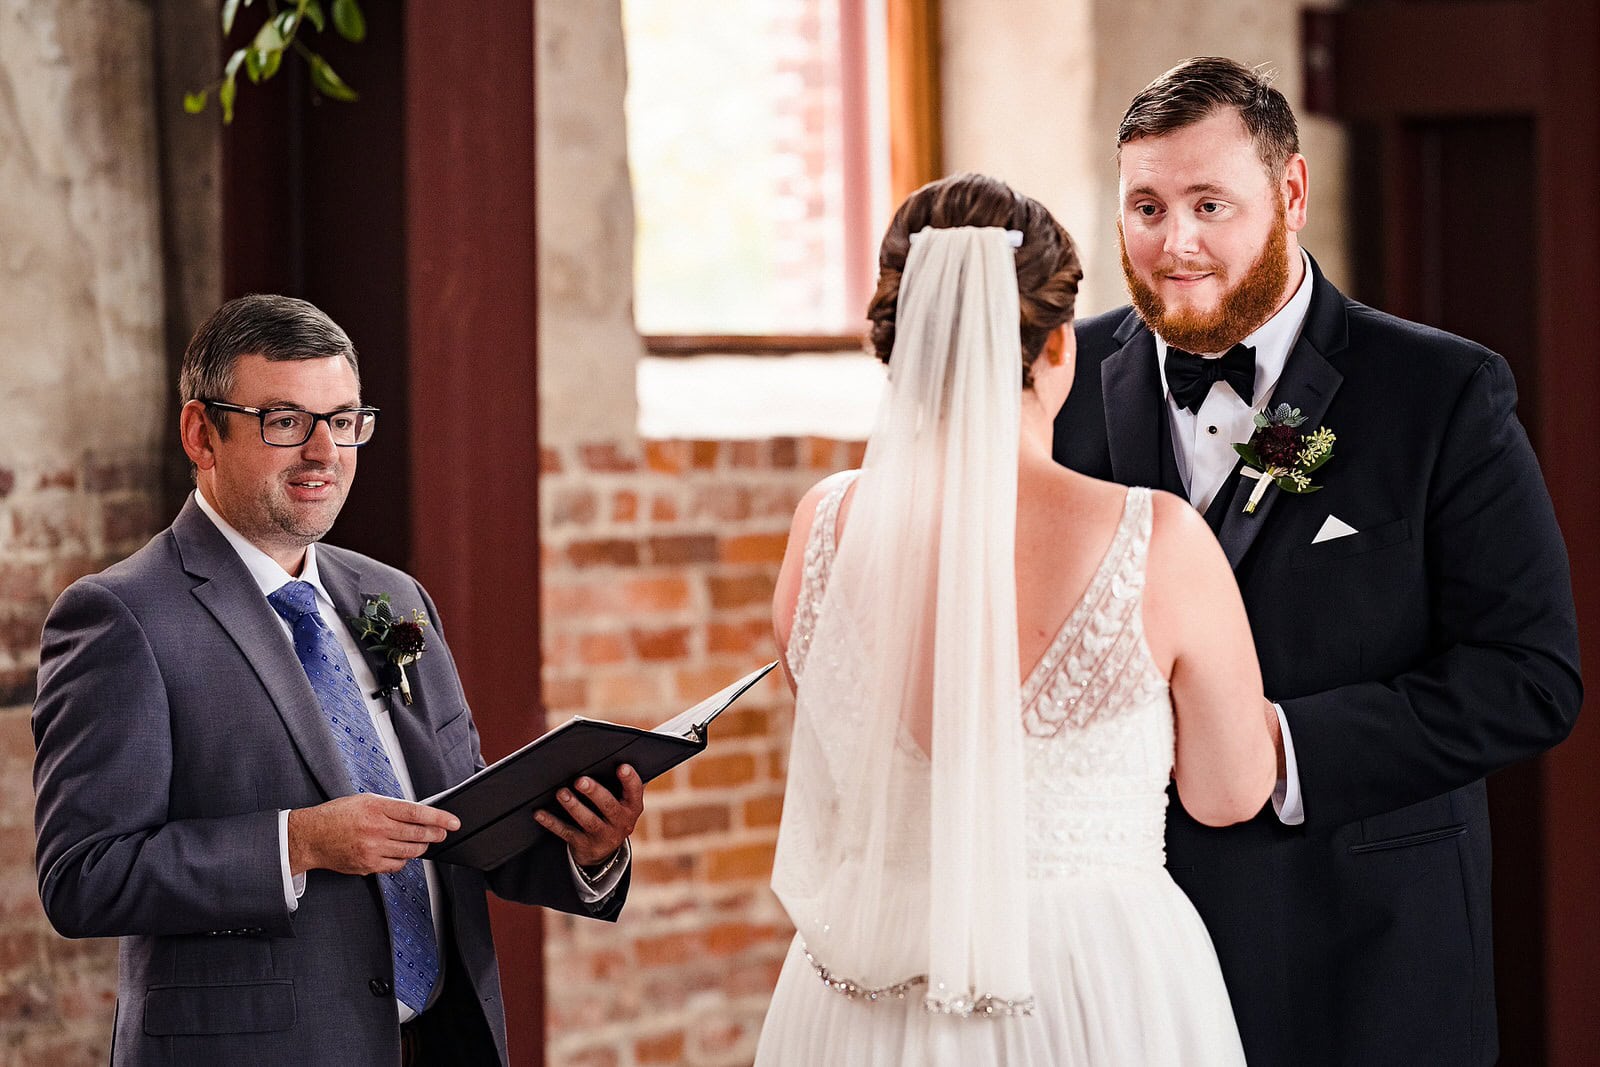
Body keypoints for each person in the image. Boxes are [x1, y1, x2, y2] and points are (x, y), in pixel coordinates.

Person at [1052, 57, 1582, 1065]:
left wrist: (1275, 748)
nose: (1177, 244)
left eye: (1211, 202)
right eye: (1147, 206)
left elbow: (1530, 676)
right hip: (1122, 970)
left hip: (1370, 962)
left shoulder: (1440, 392)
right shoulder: (1058, 382)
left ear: (1290, 192)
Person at [32, 295, 645, 1066]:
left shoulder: (393, 596)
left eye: (344, 419)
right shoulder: (120, 618)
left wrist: (586, 847)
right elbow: (83, 876)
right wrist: (299, 842)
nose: (324, 451)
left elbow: (458, 818)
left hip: (443, 1040)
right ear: (201, 434)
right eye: (285, 420)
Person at [753, 173, 1277, 1065]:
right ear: (1059, 346)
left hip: (862, 991)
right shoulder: (1157, 540)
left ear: (897, 344)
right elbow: (1228, 794)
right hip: (1089, 988)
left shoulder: (826, 527)